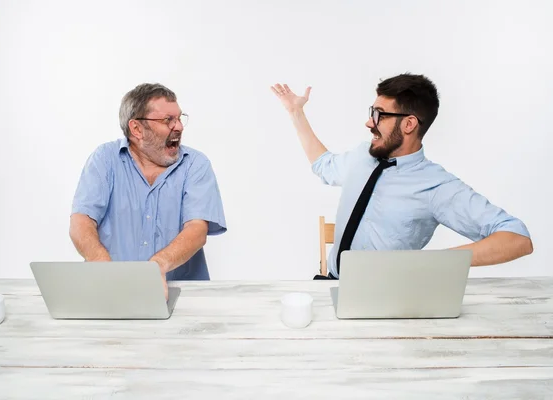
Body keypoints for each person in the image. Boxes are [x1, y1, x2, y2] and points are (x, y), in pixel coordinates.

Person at [271, 73, 533, 279]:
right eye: (371, 112)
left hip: (387, 301)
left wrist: (436, 264)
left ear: (409, 124)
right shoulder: (363, 155)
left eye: (379, 115)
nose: (369, 123)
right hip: (333, 285)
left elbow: (517, 238)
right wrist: (296, 113)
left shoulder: (437, 187)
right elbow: (325, 166)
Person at [70, 83, 227, 298]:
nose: (179, 127)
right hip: (111, 293)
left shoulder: (196, 164)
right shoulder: (105, 159)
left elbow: (197, 230)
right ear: (136, 129)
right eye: (168, 120)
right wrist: (103, 269)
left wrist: (155, 268)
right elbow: (81, 222)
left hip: (184, 298)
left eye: (180, 118)